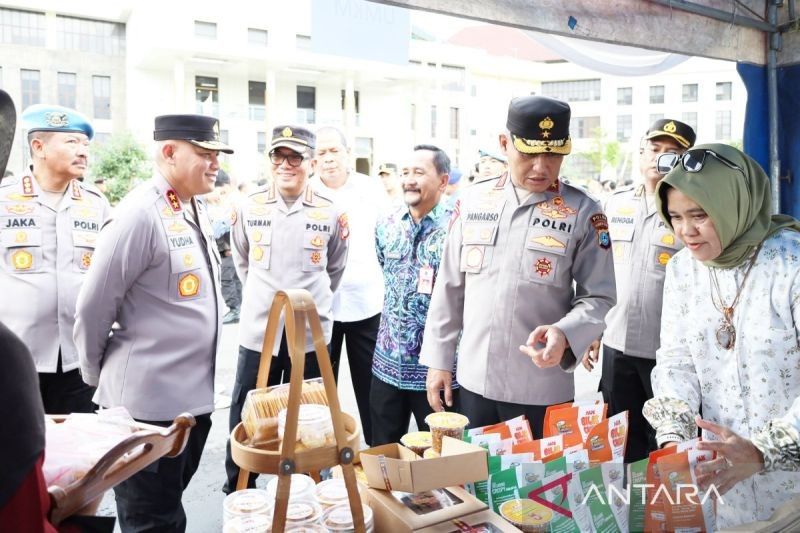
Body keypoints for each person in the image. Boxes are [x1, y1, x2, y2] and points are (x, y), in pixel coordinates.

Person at [420, 96, 616, 437]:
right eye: (529, 152)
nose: (541, 166)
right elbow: (450, 287)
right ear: (504, 144)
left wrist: (566, 334)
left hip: (541, 386)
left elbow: (599, 296)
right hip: (474, 379)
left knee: (534, 486)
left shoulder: (584, 211)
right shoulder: (472, 201)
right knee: (474, 481)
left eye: (554, 154)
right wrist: (439, 359)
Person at [74, 114, 231, 532]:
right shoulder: (138, 214)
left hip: (190, 406)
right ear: (168, 152)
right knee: (151, 520)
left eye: (217, 154)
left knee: (168, 509)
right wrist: (97, 377)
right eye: (204, 154)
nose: (215, 163)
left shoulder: (190, 207)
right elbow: (92, 308)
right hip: (146, 412)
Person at [641, 143, 800, 529]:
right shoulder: (683, 270)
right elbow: (677, 361)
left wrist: (763, 451)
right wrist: (675, 440)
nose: (686, 231)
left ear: (735, 204)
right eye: (675, 216)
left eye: (700, 214)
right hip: (719, 488)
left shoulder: (790, 265)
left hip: (791, 490)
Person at [224, 125, 348, 492]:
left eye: (295, 157)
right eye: (279, 155)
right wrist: (265, 299)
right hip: (260, 330)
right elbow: (243, 264)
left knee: (312, 409)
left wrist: (309, 303)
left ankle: (310, 484)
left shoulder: (330, 211)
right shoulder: (249, 207)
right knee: (247, 406)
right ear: (270, 161)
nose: (286, 164)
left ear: (310, 163)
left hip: (309, 333)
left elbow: (336, 269)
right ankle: (239, 485)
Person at [581, 118, 696, 463]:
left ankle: (665, 512)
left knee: (669, 442)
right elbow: (598, 274)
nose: (659, 158)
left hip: (669, 352)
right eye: (655, 149)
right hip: (617, 345)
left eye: (672, 153)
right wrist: (592, 330)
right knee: (621, 438)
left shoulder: (690, 210)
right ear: (641, 152)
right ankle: (629, 506)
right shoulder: (613, 205)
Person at [0, 104, 110, 415]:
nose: (83, 152)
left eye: (86, 145)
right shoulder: (4, 199)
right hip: (17, 359)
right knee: (19, 452)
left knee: (79, 450)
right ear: (39, 147)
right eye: (72, 142)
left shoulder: (95, 204)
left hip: (78, 360)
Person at [371, 144, 457, 445]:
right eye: (404, 172)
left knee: (440, 460)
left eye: (419, 173)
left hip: (436, 370)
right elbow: (385, 268)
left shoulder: (458, 229)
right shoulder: (386, 224)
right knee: (382, 453)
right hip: (386, 366)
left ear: (443, 181)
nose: (409, 180)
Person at [311, 125, 388, 446]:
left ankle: (378, 456)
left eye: (334, 151)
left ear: (347, 153)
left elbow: (387, 237)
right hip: (319, 306)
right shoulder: (305, 191)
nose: (329, 159)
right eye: (321, 153)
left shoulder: (370, 189)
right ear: (313, 160)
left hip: (365, 302)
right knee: (317, 389)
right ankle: (318, 457)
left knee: (372, 388)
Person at [207, 169, 243, 324]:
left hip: (229, 250)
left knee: (228, 280)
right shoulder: (233, 200)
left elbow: (219, 228)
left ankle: (235, 309)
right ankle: (238, 308)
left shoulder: (233, 202)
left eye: (221, 192)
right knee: (235, 279)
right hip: (231, 250)